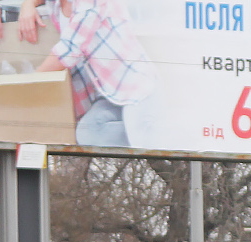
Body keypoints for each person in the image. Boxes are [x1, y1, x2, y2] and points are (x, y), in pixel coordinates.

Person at [17, 0, 157, 147]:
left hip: (135, 88)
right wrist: (27, 5)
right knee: (88, 134)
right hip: (106, 95)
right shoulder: (56, 4)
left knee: (140, 136)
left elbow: (70, 49)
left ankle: (162, 126)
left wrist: (26, 86)